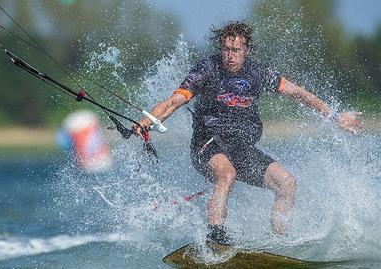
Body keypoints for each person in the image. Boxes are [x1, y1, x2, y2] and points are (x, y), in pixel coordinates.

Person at [133, 21, 362, 244]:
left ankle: (280, 243)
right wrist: (146, 121)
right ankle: (215, 237)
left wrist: (334, 116)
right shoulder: (207, 70)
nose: (229, 55)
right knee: (227, 174)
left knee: (287, 183)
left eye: (235, 50)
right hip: (207, 144)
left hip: (240, 148)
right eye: (225, 49)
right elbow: (175, 101)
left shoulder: (258, 73)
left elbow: (298, 93)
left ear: (246, 50)